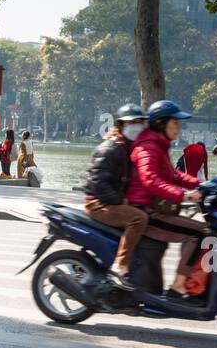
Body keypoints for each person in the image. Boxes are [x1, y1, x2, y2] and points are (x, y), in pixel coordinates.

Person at [126, 99, 206, 298]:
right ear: (161, 123)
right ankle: (178, 286)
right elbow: (151, 180)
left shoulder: (159, 145)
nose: (178, 128)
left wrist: (200, 185)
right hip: (148, 212)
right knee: (198, 233)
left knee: (199, 230)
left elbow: (173, 175)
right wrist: (183, 194)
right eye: (175, 123)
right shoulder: (149, 147)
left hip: (157, 208)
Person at [82, 104, 149, 292]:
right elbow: (98, 183)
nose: (135, 126)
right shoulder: (109, 148)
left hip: (110, 200)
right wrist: (121, 200)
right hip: (98, 203)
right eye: (131, 123)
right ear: (120, 126)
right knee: (138, 218)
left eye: (139, 122)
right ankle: (120, 266)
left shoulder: (127, 148)